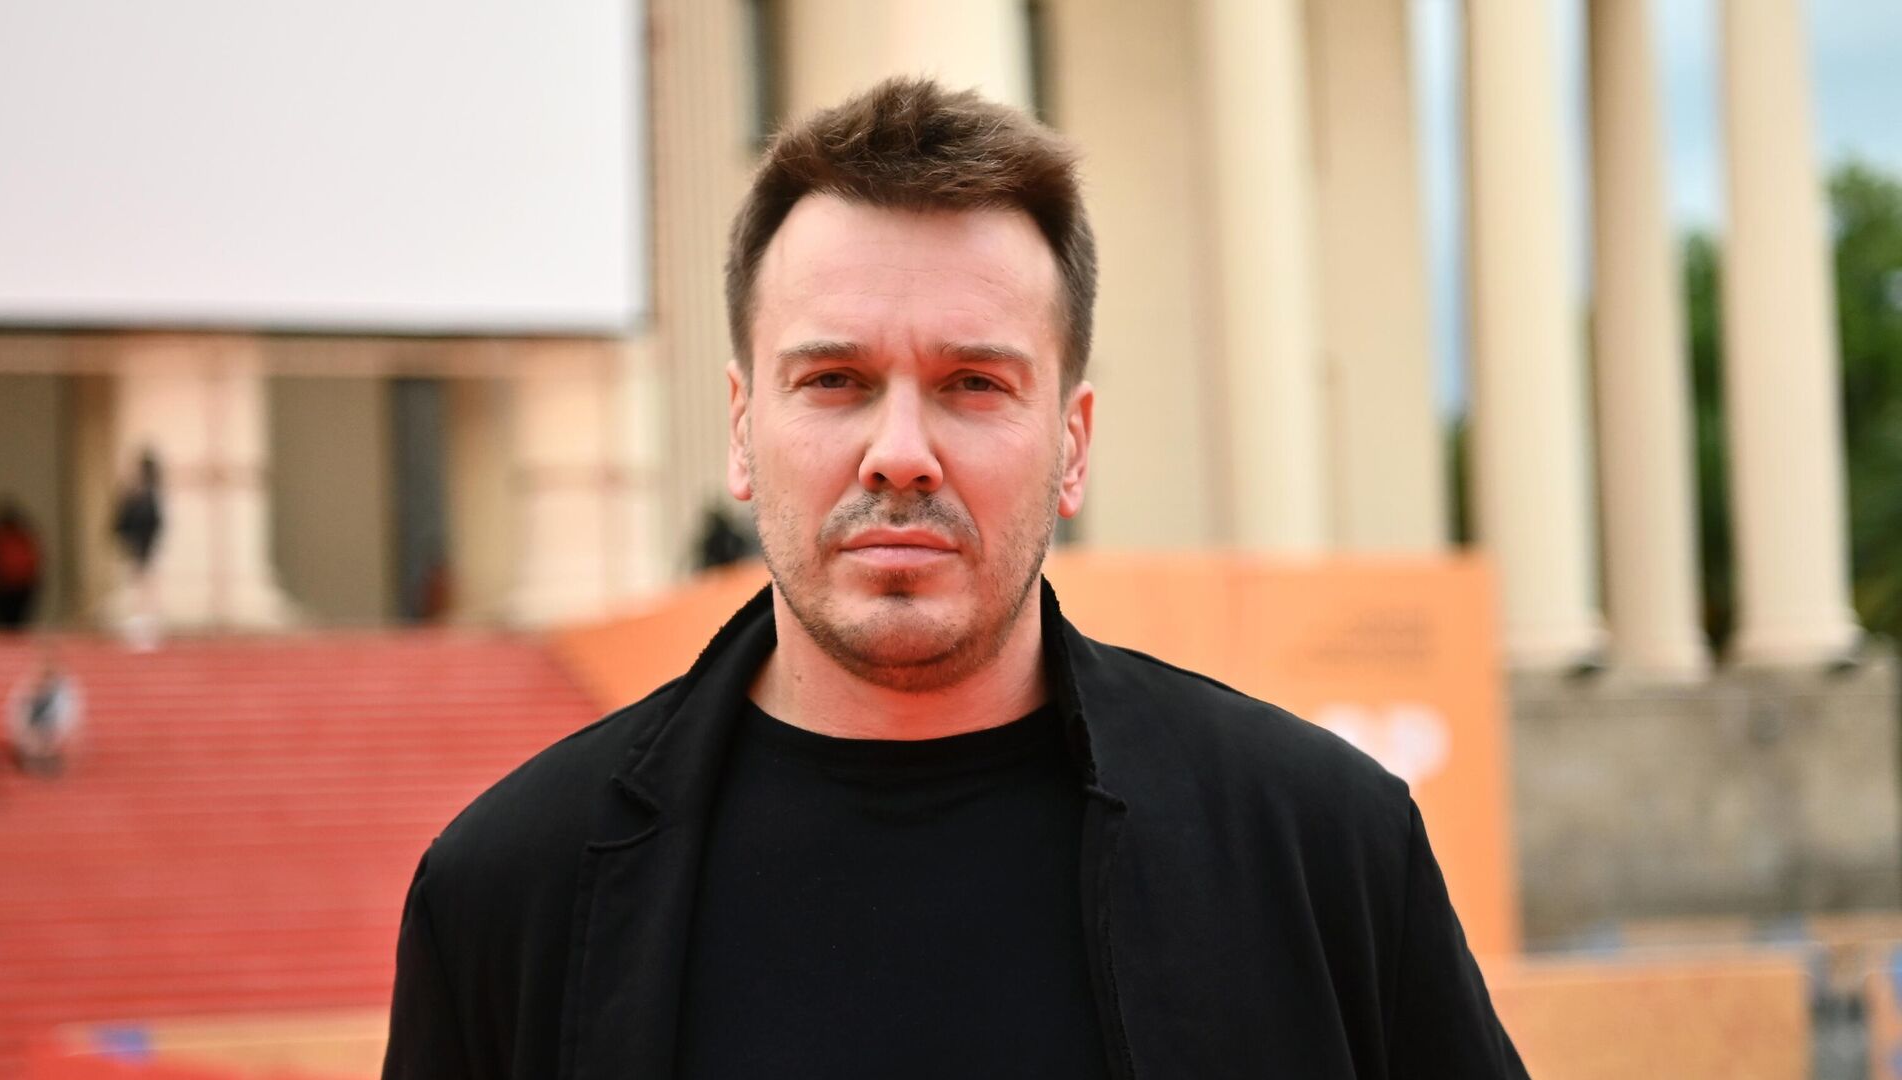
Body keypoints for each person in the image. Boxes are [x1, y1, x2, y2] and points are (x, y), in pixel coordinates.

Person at [383, 78, 1527, 1079]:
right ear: (741, 429)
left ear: (1072, 443)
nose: (900, 452)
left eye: (974, 383)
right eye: (834, 380)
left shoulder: (1325, 850)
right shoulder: (507, 893)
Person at [111, 450, 165, 650]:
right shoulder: (134, 495)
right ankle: (139, 624)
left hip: (146, 548)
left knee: (145, 587)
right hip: (136, 547)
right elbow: (121, 521)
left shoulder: (150, 495)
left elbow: (155, 523)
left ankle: (147, 626)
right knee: (137, 586)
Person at [3, 652, 81, 776]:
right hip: (33, 740)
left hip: (50, 740)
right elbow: (18, 716)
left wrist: (52, 741)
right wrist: (29, 740)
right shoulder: (28, 691)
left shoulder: (63, 694)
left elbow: (66, 718)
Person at [0, 499, 42, 629]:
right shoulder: (17, 536)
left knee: (9, 623)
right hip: (16, 587)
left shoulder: (3, 537)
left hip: (10, 587)